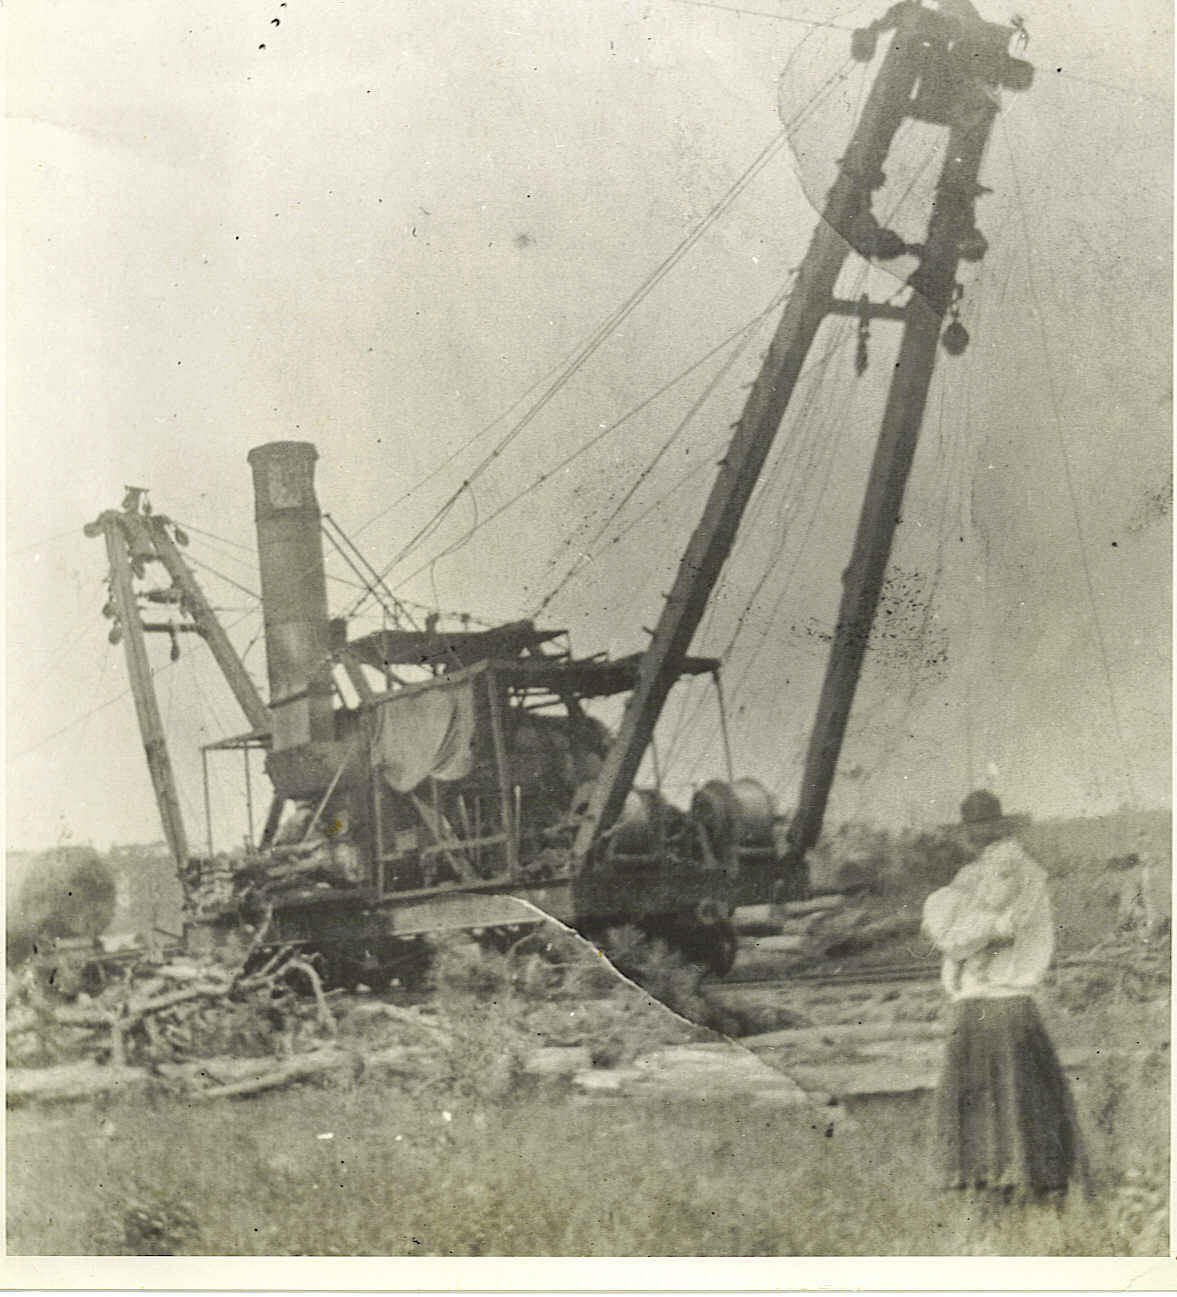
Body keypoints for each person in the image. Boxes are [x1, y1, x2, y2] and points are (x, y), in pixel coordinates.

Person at [922, 790, 1081, 1198]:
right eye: (973, 831)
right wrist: (968, 931)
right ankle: (994, 1186)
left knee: (1013, 1096)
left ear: (1001, 831)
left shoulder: (1021, 874)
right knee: (988, 1097)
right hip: (976, 1001)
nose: (977, 838)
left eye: (985, 831)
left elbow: (972, 934)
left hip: (1005, 1000)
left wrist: (970, 931)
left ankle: (1023, 1185)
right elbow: (952, 934)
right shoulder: (970, 877)